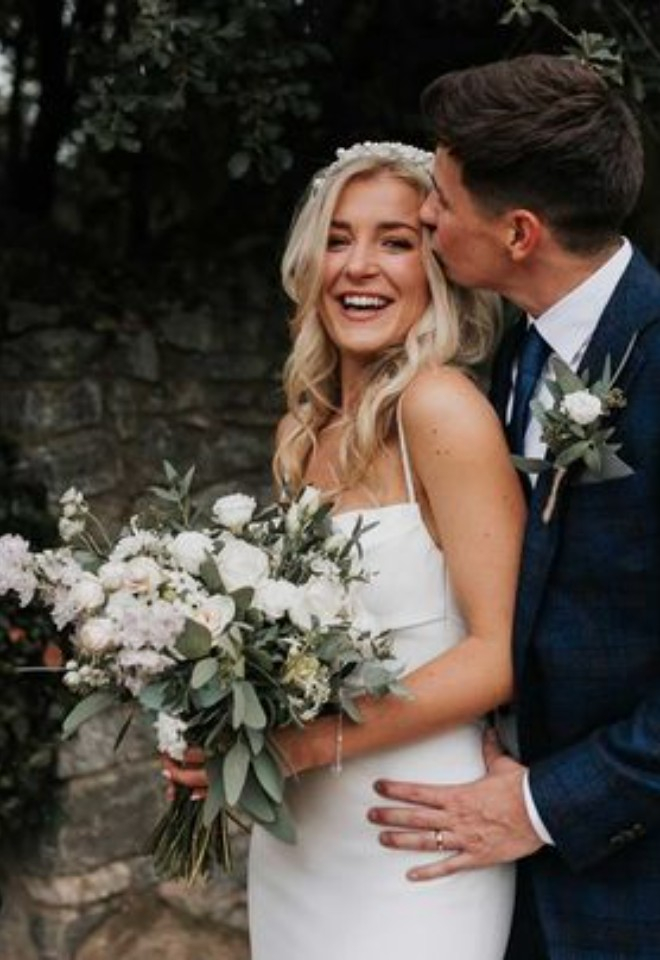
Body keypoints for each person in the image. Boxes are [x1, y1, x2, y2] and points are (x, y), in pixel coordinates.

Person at [165, 141, 525, 959]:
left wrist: (295, 747)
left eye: (395, 241)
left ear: (437, 265)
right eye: (337, 239)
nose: (358, 266)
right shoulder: (301, 430)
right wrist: (223, 731)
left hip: (415, 826)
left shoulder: (440, 407)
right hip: (301, 837)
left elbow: (498, 654)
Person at [367, 55, 660, 960]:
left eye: (443, 199)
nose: (426, 215)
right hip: (493, 871)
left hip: (632, 883)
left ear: (520, 232)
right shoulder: (521, 353)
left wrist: (542, 806)